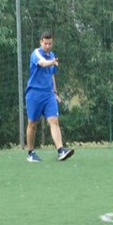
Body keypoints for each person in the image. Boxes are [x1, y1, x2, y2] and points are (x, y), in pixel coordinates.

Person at [24, 32, 74, 162]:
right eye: (45, 43)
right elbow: (43, 63)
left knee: (54, 121)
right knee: (32, 124)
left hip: (48, 94)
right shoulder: (36, 53)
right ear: (41, 42)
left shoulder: (51, 55)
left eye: (50, 43)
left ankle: (61, 151)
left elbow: (51, 75)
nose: (47, 46)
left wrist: (55, 92)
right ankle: (30, 153)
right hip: (34, 94)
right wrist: (52, 62)